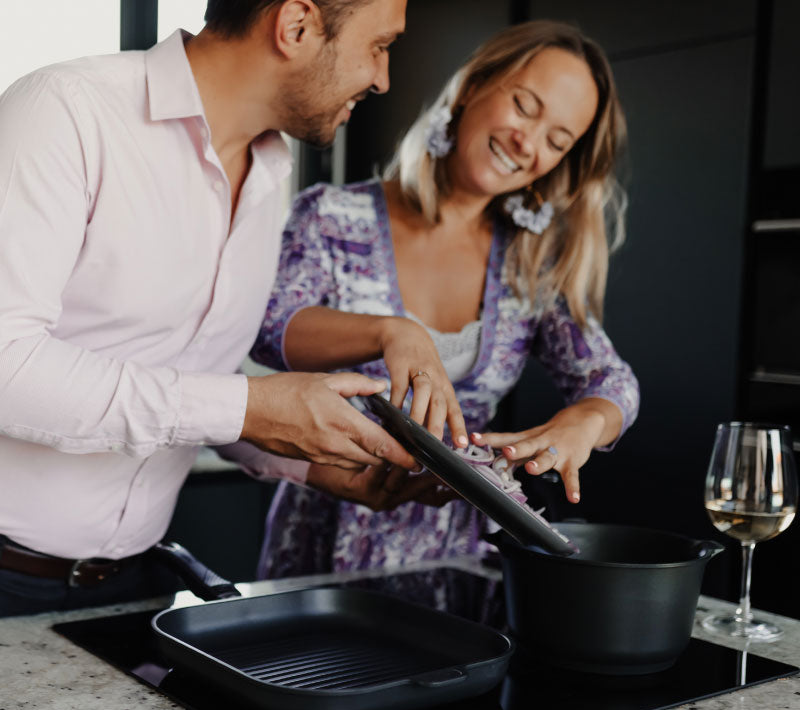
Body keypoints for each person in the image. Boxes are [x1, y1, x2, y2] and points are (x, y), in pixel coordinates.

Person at [0, 0, 428, 616]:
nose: (383, 78)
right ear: (297, 26)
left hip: (133, 586)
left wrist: (310, 464)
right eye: (379, 46)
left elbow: (189, 387)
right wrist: (252, 407)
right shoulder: (65, 111)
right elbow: (9, 367)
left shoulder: (269, 175)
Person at [250, 20, 640, 577]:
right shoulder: (331, 216)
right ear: (473, 86)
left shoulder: (531, 265)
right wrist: (392, 332)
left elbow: (613, 383)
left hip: (462, 562)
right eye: (526, 106)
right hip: (325, 539)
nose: (527, 144)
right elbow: (270, 332)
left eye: (558, 141)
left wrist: (580, 427)